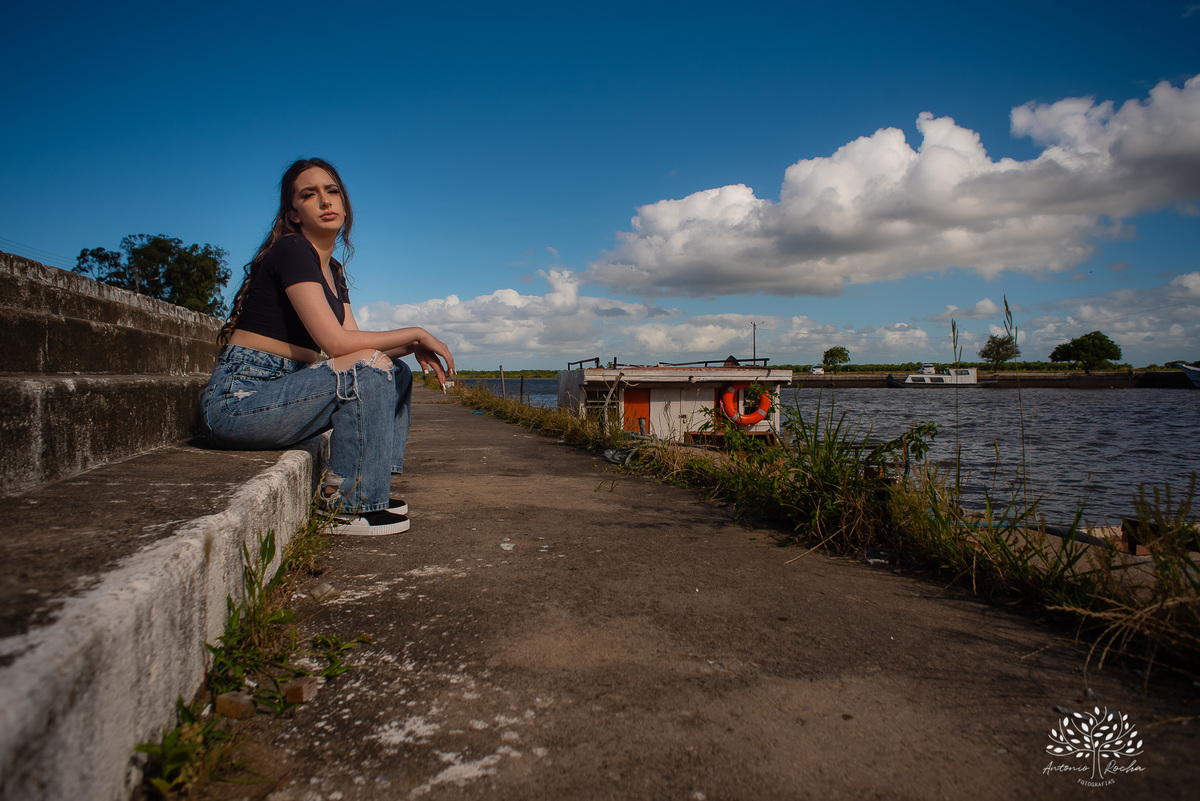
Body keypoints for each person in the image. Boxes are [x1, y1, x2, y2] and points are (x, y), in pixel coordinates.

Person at [200, 157, 455, 536]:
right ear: (294, 213)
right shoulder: (292, 250)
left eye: (332, 191)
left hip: (283, 391)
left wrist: (409, 348)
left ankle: (371, 484)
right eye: (310, 194)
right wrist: (415, 333)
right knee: (372, 367)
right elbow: (334, 343)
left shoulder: (333, 269)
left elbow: (350, 347)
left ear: (345, 203)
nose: (325, 201)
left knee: (394, 369)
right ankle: (348, 505)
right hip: (240, 401)